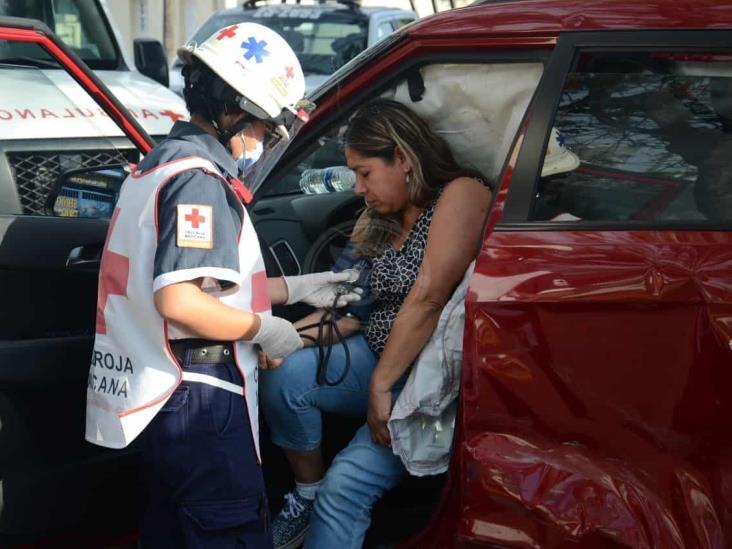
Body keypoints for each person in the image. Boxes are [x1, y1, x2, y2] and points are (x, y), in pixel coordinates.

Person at [84, 23, 360, 547]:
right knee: (228, 530)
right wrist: (267, 330)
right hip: (200, 397)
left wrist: (299, 287)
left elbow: (198, 283)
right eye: (261, 128)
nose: (262, 142)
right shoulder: (200, 182)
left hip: (160, 394)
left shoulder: (158, 165)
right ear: (233, 108)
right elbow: (180, 299)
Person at [259, 98, 492, 548]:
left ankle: (323, 500)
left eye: (365, 172)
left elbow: (428, 296)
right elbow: (348, 308)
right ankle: (306, 496)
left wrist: (380, 387)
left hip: (425, 376)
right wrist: (286, 339)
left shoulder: (461, 192)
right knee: (284, 374)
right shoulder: (376, 218)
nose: (358, 188)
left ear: (402, 158)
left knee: (344, 487)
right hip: (375, 356)